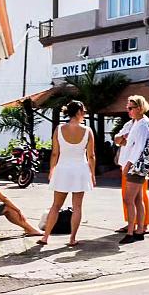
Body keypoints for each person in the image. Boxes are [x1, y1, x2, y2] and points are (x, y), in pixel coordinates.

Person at [37, 100, 95, 247]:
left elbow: (55, 153)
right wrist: (92, 174)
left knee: (55, 205)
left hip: (62, 169)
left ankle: (45, 237)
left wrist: (52, 170)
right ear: (79, 112)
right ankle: (72, 239)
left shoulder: (59, 129)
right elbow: (91, 156)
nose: (85, 114)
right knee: (77, 207)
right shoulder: (87, 131)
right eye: (84, 111)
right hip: (80, 170)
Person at [114, 95, 149, 244]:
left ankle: (132, 231)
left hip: (136, 167)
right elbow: (119, 139)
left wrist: (128, 165)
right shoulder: (137, 123)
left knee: (129, 199)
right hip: (135, 166)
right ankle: (138, 231)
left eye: (131, 108)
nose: (128, 110)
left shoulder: (143, 124)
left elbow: (138, 147)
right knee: (136, 199)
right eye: (128, 108)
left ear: (139, 108)